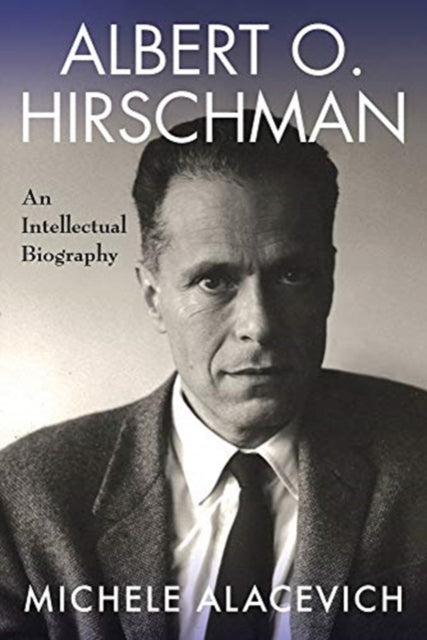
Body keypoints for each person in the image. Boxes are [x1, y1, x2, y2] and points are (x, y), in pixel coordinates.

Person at [0, 112, 426, 640]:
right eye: (213, 281)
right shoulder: (27, 498)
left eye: (292, 275)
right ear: (154, 296)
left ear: (329, 281)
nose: (258, 326)